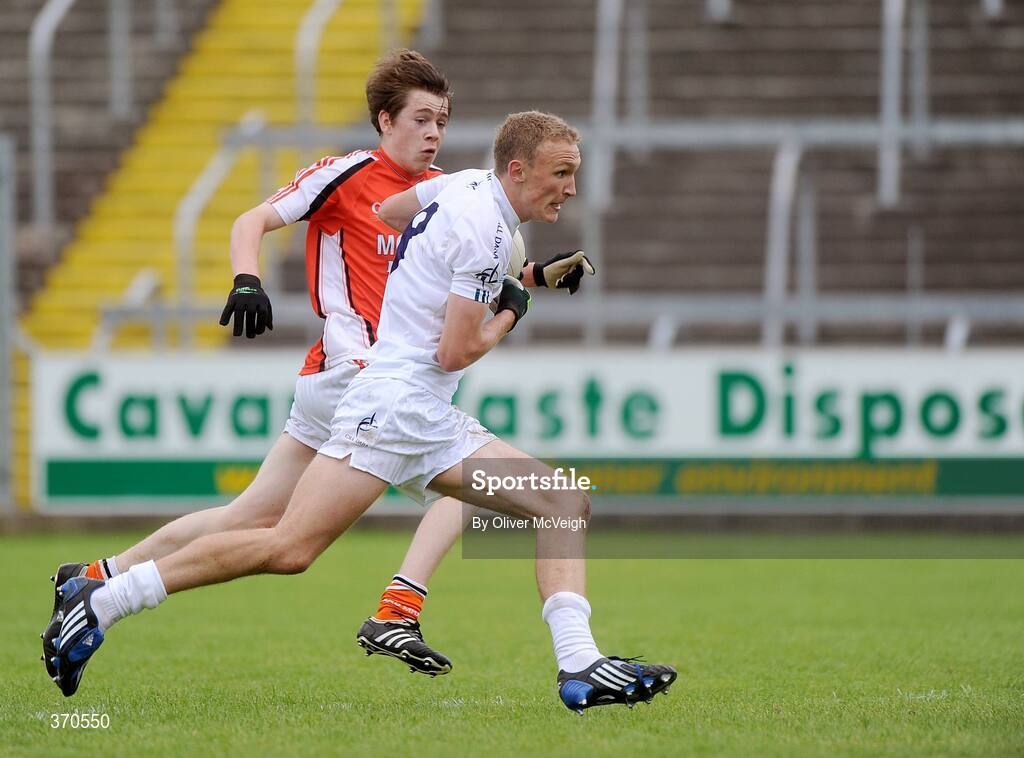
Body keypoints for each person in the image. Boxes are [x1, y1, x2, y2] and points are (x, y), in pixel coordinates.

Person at [46, 110, 676, 712]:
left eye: (573, 172)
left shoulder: (462, 187)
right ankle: (103, 602)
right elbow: (456, 351)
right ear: (516, 169)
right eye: (560, 172)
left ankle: (579, 666)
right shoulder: (486, 232)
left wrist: (493, 273)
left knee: (562, 502)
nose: (571, 188)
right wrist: (512, 306)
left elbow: (393, 211)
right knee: (287, 546)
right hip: (398, 407)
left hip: (418, 412)